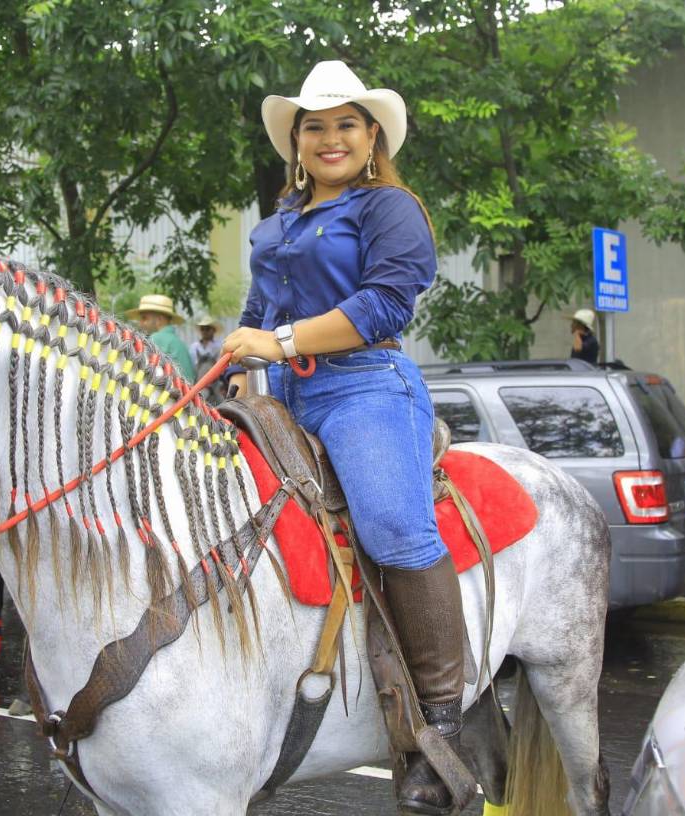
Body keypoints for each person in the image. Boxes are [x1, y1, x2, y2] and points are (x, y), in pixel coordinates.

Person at [222, 60, 463, 813]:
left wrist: (279, 341)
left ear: (371, 136)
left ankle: (440, 722)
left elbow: (387, 304)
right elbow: (257, 310)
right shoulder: (278, 221)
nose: (330, 138)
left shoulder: (388, 208)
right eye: (315, 126)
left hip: (364, 386)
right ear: (296, 141)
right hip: (283, 394)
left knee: (393, 529)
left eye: (345, 124)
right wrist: (233, 369)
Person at [126, 294, 196, 382]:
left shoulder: (156, 339)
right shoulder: (177, 341)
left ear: (159, 319)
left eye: (144, 318)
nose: (140, 323)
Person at [190, 316, 226, 402]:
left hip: (216, 381)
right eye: (203, 329)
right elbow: (192, 366)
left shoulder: (220, 346)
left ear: (213, 330)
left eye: (207, 329)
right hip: (198, 381)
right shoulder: (194, 347)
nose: (205, 331)